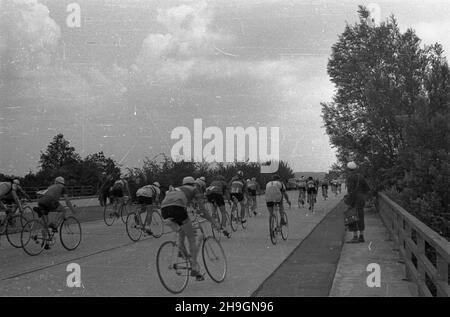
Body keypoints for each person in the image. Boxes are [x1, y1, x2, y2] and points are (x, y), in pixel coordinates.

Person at [160, 176, 222, 281]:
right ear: (194, 184)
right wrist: (214, 222)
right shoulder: (194, 189)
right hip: (178, 208)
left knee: (182, 232)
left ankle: (182, 252)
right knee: (192, 238)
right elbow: (203, 210)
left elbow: (186, 205)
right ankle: (194, 267)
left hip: (164, 210)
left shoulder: (177, 189)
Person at [34, 177, 77, 249]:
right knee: (63, 210)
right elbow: (67, 200)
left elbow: (41, 194)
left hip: (41, 201)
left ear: (56, 182)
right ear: (63, 183)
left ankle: (45, 243)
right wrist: (72, 209)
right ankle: (54, 224)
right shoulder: (63, 187)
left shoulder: (50, 186)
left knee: (44, 223)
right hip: (50, 200)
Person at [345, 162, 370, 243]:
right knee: (361, 217)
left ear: (348, 169)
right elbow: (367, 188)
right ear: (355, 168)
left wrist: (349, 203)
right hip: (361, 199)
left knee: (351, 216)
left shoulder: (350, 177)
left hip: (354, 199)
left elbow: (350, 191)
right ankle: (361, 236)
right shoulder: (361, 177)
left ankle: (355, 237)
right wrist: (363, 197)